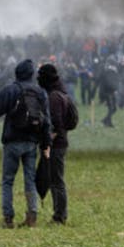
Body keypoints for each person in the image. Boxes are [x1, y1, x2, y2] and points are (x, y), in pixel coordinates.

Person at [0, 59, 51, 228]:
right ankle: (32, 215)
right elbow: (46, 120)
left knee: (7, 181)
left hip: (12, 141)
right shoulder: (40, 92)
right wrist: (45, 144)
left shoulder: (10, 90)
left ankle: (8, 218)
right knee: (30, 180)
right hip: (31, 142)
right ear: (32, 74)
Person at [37, 63, 75, 224]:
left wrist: (47, 144)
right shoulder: (62, 93)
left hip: (56, 144)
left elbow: (56, 124)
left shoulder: (53, 97)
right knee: (55, 179)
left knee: (56, 181)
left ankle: (60, 216)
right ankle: (59, 214)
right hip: (61, 142)